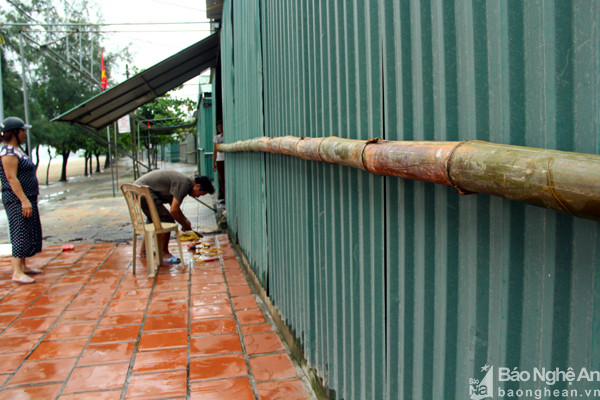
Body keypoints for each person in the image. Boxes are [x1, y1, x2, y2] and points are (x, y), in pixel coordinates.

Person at [134, 170, 214, 263]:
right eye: (201, 194)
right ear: (198, 186)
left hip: (137, 190)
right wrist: (184, 225)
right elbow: (174, 210)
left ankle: (144, 251)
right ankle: (164, 254)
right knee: (167, 220)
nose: (198, 197)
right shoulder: (185, 184)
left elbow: (174, 206)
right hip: (143, 191)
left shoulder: (185, 181)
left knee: (154, 219)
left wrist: (185, 220)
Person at [0, 117, 43, 284]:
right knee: (19, 231)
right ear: (14, 133)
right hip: (16, 199)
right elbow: (11, 178)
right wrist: (24, 200)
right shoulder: (8, 153)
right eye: (22, 131)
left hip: (26, 197)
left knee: (27, 231)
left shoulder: (17, 150)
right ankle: (17, 272)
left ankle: (23, 266)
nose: (25, 134)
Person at [212, 121, 225, 201]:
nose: (220, 129)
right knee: (222, 180)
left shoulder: (227, 136)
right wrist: (214, 163)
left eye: (221, 127)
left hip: (226, 159)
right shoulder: (217, 138)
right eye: (218, 127)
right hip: (219, 160)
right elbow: (215, 151)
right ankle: (224, 197)